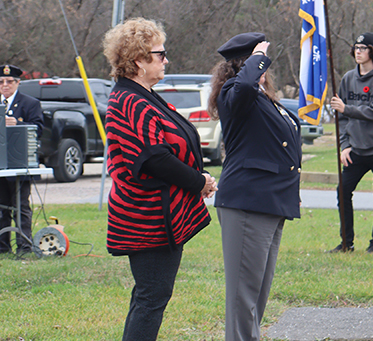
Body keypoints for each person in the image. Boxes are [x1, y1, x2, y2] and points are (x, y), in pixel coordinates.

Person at [102, 18, 217, 341]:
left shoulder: (143, 95)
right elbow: (154, 158)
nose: (166, 60)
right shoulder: (129, 100)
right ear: (139, 60)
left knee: (149, 296)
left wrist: (200, 177)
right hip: (147, 217)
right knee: (151, 298)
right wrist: (199, 182)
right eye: (160, 54)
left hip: (156, 216)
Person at [209, 33, 302, 341]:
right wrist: (258, 57)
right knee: (243, 295)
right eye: (258, 61)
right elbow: (245, 85)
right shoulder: (233, 93)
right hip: (247, 202)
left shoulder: (261, 97)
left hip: (270, 201)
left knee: (258, 292)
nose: (265, 68)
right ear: (243, 64)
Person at [328, 32, 373, 254]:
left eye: (363, 48)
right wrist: (345, 145)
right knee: (343, 190)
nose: (358, 52)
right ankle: (346, 243)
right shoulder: (348, 78)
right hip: (356, 148)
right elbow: (342, 117)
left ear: (372, 52)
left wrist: (346, 108)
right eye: (356, 48)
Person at [0, 64, 44, 255]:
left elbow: (38, 128)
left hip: (20, 163)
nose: (5, 85)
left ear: (17, 83)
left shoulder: (29, 103)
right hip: (1, 165)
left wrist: (18, 123)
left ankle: (24, 246)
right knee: (2, 208)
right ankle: (3, 247)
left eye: (9, 81)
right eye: (1, 82)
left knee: (21, 206)